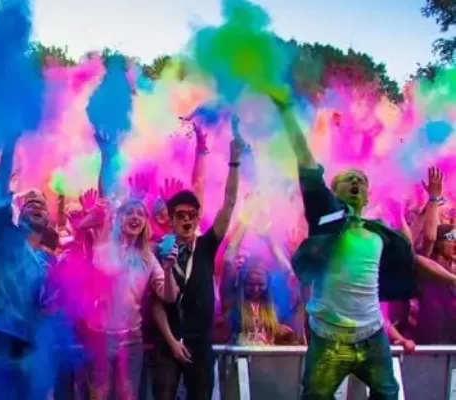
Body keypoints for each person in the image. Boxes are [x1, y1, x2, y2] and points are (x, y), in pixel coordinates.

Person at [272, 92, 415, 399]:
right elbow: (307, 164)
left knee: (388, 395)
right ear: (334, 190)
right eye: (348, 179)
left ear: (367, 196)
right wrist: (286, 110)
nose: (355, 182)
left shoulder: (379, 232)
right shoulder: (327, 213)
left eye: (361, 181)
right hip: (328, 340)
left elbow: (417, 263)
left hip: (372, 337)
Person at [150, 135, 243, 400]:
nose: (187, 219)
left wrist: (234, 161)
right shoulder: (159, 251)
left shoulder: (206, 246)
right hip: (167, 344)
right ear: (170, 219)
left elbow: (230, 202)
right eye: (181, 215)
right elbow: (157, 305)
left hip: (201, 344)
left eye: (192, 214)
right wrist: (171, 343)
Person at [0, 140, 58, 400]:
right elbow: (0, 197)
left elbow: (50, 311)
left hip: (31, 357)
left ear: (49, 222)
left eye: (41, 205)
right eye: (29, 203)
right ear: (18, 215)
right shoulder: (4, 239)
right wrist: (9, 144)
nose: (35, 204)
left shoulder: (51, 263)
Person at [82, 198, 177, 400]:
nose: (135, 217)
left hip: (131, 340)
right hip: (99, 337)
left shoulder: (148, 258)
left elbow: (169, 296)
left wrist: (168, 271)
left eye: (140, 214)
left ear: (145, 223)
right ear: (119, 218)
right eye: (130, 213)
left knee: (128, 397)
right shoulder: (102, 246)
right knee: (98, 396)